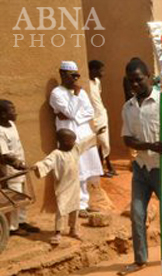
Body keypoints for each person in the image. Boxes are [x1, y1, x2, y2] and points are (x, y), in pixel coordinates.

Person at [119, 58, 162, 276]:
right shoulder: (128, 108)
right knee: (137, 214)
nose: (135, 85)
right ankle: (140, 259)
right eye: (130, 81)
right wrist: (150, 146)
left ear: (149, 76)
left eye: (138, 80)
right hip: (141, 168)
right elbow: (127, 139)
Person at [49, 61, 103, 218]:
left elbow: (90, 112)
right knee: (75, 170)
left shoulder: (81, 91)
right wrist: (75, 96)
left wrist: (74, 117)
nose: (75, 79)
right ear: (62, 74)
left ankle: (84, 204)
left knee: (85, 168)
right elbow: (70, 111)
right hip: (69, 135)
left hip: (83, 132)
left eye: (76, 76)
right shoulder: (56, 93)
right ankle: (76, 206)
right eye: (72, 76)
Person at [32, 129, 98, 245]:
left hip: (74, 185)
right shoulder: (56, 154)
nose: (74, 142)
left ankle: (73, 229)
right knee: (61, 208)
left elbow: (85, 142)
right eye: (72, 140)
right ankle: (58, 232)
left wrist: (96, 134)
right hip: (63, 186)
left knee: (75, 208)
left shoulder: (75, 149)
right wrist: (38, 166)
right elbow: (47, 162)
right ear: (64, 141)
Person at [0, 100, 40, 236]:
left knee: (23, 195)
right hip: (11, 170)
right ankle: (13, 227)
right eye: (12, 110)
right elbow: (4, 155)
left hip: (20, 168)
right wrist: (17, 164)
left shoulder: (11, 124)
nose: (15, 113)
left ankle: (21, 221)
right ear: (3, 114)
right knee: (15, 198)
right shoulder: (0, 131)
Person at [89, 60, 116, 177]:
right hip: (93, 117)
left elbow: (98, 97)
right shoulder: (86, 83)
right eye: (101, 70)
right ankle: (102, 168)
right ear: (93, 70)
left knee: (104, 142)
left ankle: (107, 166)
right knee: (98, 142)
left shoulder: (97, 82)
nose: (103, 73)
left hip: (101, 114)